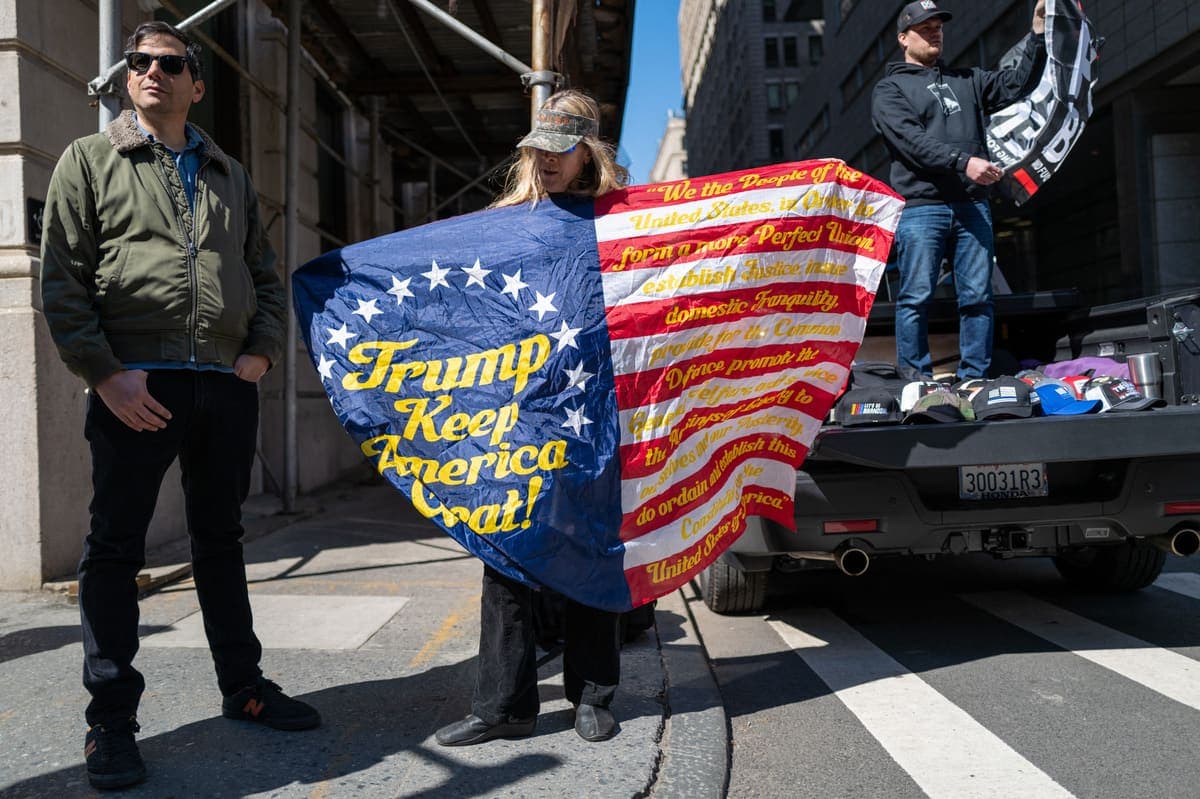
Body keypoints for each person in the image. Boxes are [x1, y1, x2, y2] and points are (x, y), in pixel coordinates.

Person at [40, 21, 319, 790]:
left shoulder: (228, 171)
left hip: (222, 386)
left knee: (221, 540)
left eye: (170, 63)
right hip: (137, 384)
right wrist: (104, 373)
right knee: (115, 548)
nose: (153, 72)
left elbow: (263, 272)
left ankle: (246, 688)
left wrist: (258, 354)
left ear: (197, 83)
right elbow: (61, 278)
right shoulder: (90, 161)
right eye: (140, 62)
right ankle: (111, 721)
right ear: (127, 79)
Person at [434, 90, 630, 747]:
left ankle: (594, 696)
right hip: (515, 410)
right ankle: (504, 706)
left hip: (593, 411)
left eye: (560, 148)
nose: (545, 159)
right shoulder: (504, 224)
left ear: (588, 152)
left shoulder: (620, 222)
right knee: (505, 550)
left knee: (591, 550)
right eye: (536, 148)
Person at [871, 0, 1047, 379]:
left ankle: (973, 379)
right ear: (904, 38)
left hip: (971, 205)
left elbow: (1017, 83)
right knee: (915, 298)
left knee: (978, 299)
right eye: (924, 27)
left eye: (938, 26)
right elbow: (911, 142)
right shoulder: (890, 91)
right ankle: (916, 381)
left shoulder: (966, 80)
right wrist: (963, 162)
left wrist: (1037, 34)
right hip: (921, 208)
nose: (935, 32)